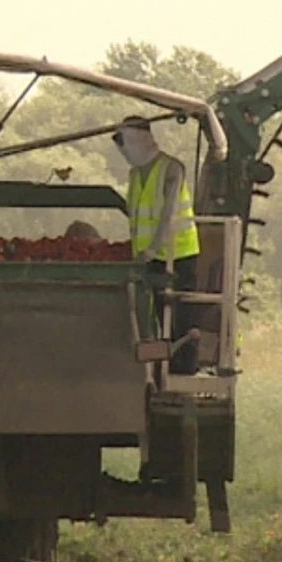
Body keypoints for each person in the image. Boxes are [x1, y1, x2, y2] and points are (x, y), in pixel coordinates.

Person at [112, 117, 202, 372]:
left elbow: (168, 215)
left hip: (179, 253)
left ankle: (182, 371)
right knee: (154, 313)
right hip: (148, 258)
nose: (124, 151)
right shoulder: (134, 174)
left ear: (141, 140)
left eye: (126, 143)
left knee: (180, 318)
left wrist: (152, 249)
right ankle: (157, 368)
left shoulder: (171, 168)